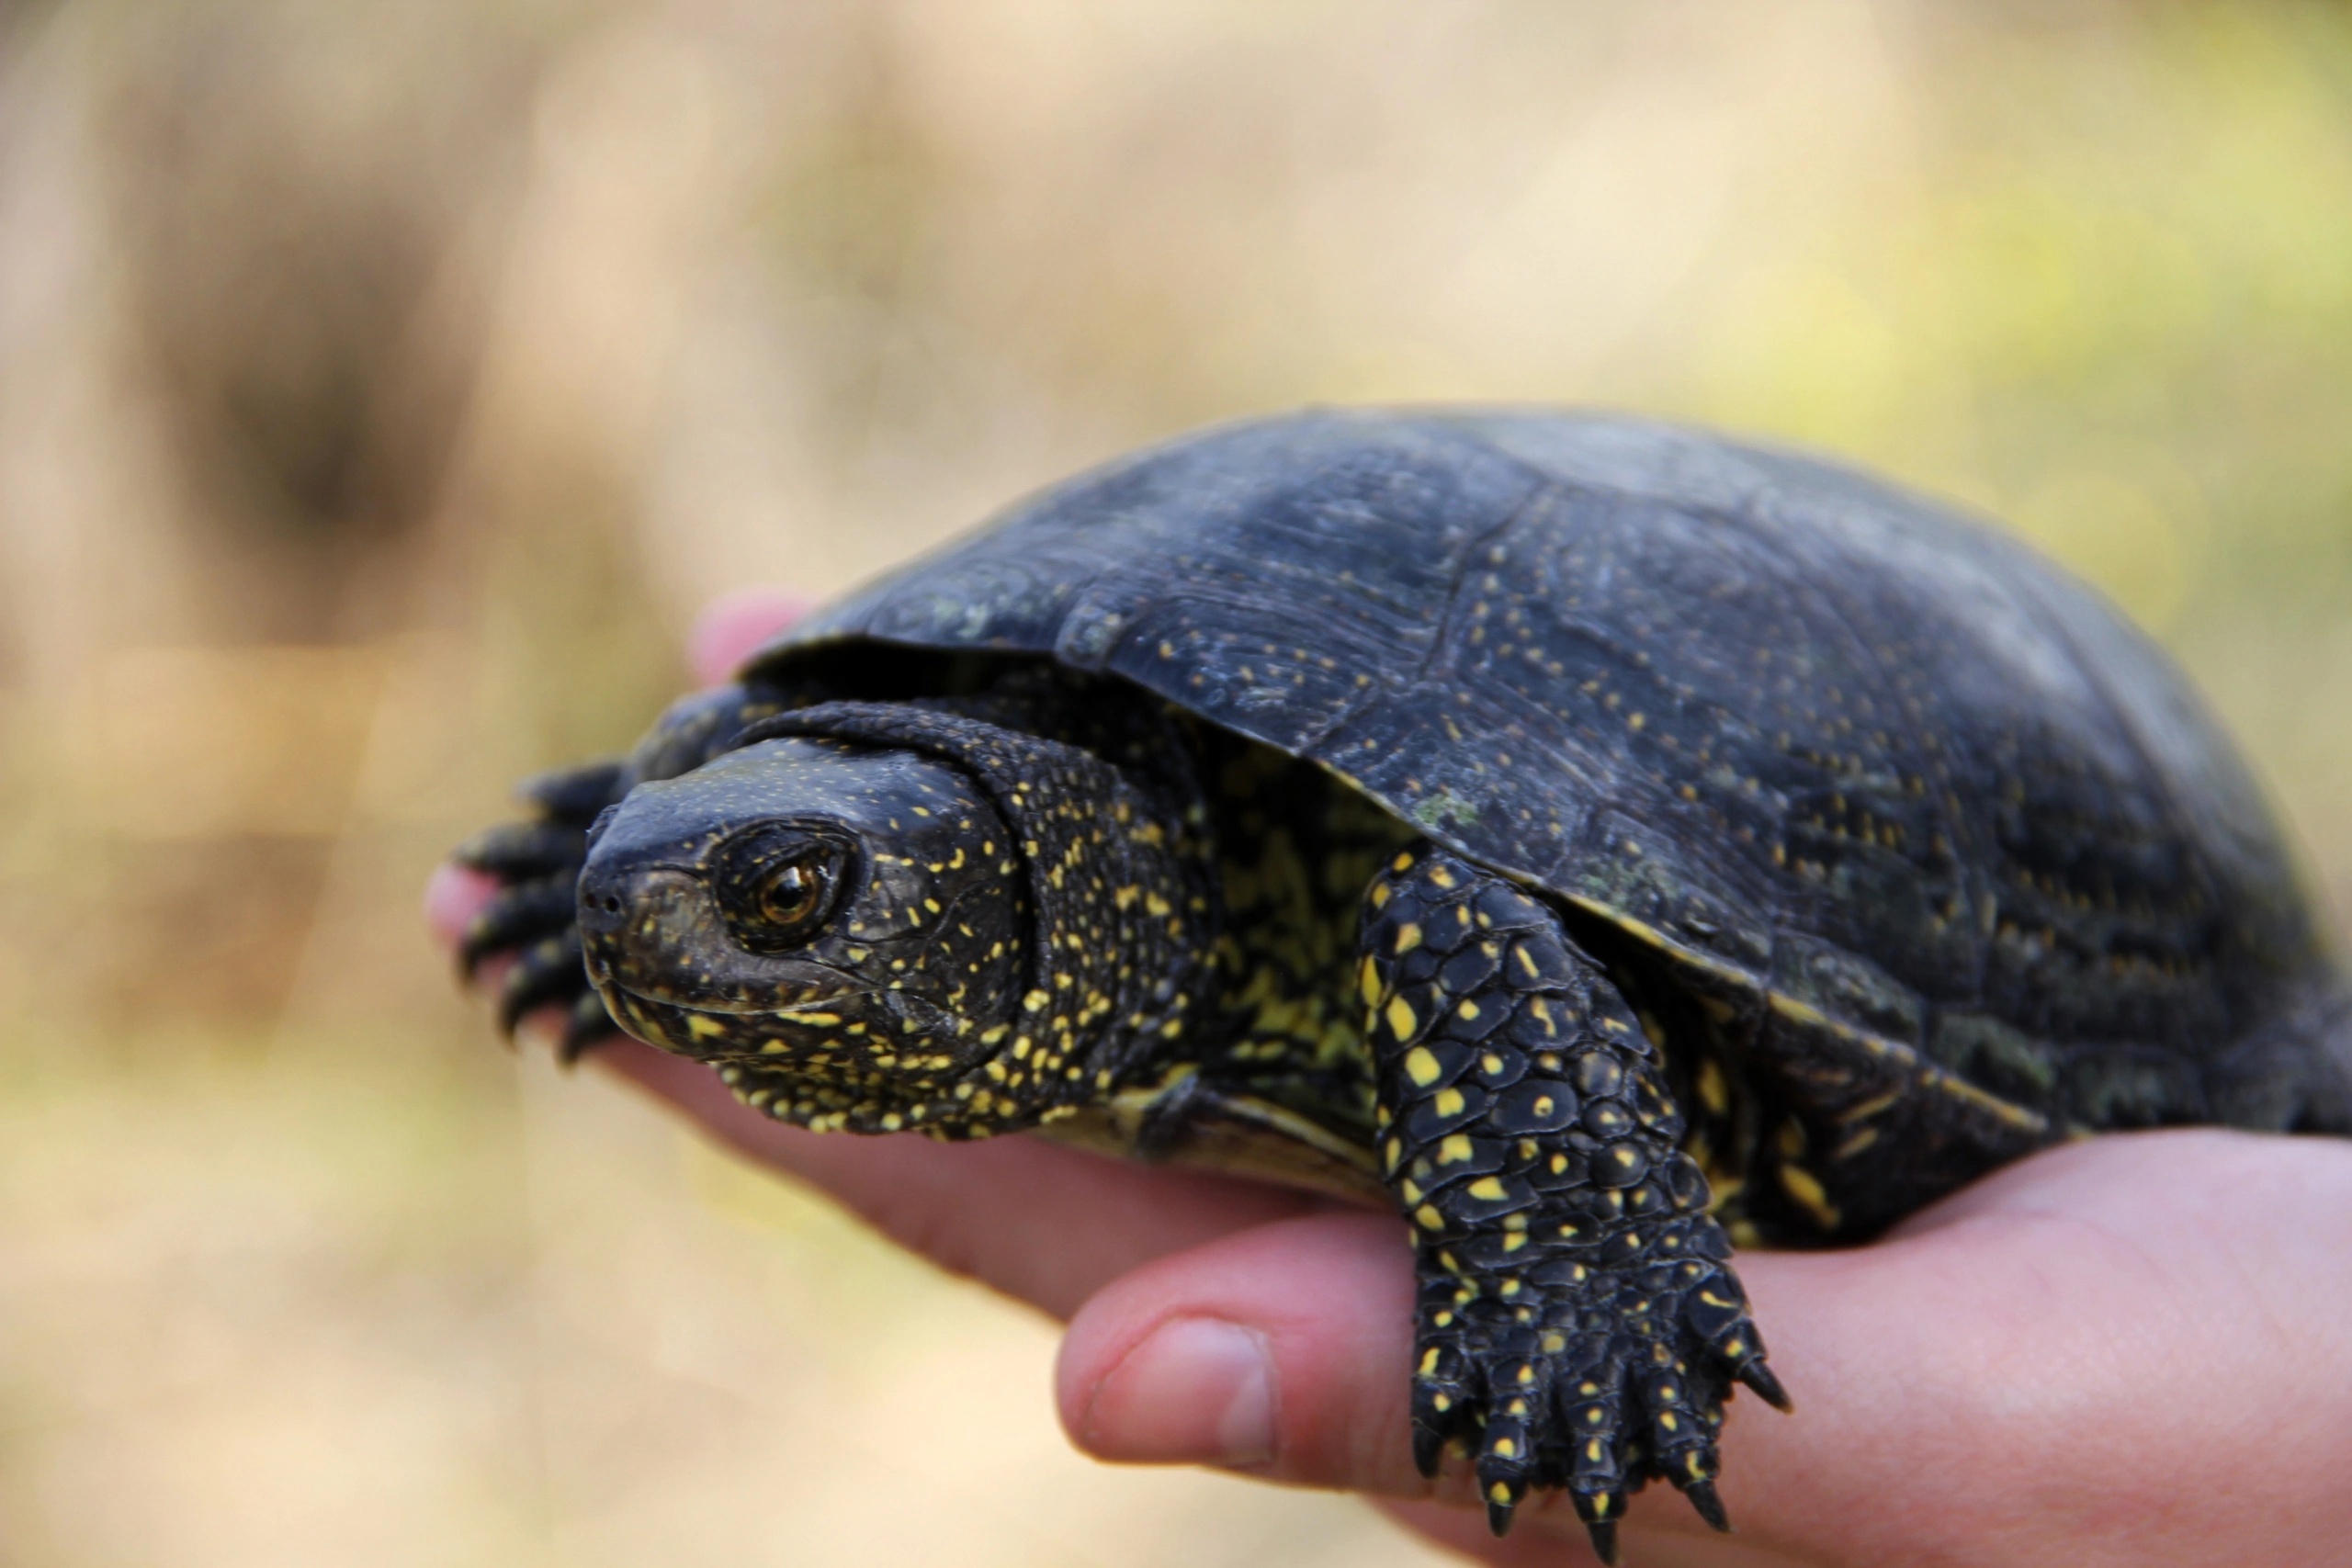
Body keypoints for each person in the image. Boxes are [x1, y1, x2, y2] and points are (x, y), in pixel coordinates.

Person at [426, 591, 2352, 1568]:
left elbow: (1456, 902)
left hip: (2129, 952)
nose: (670, 917)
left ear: (1009, 880)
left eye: (782, 898)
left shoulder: (1410, 914)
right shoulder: (990, 772)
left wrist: (1570, 1276)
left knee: (1443, 902)